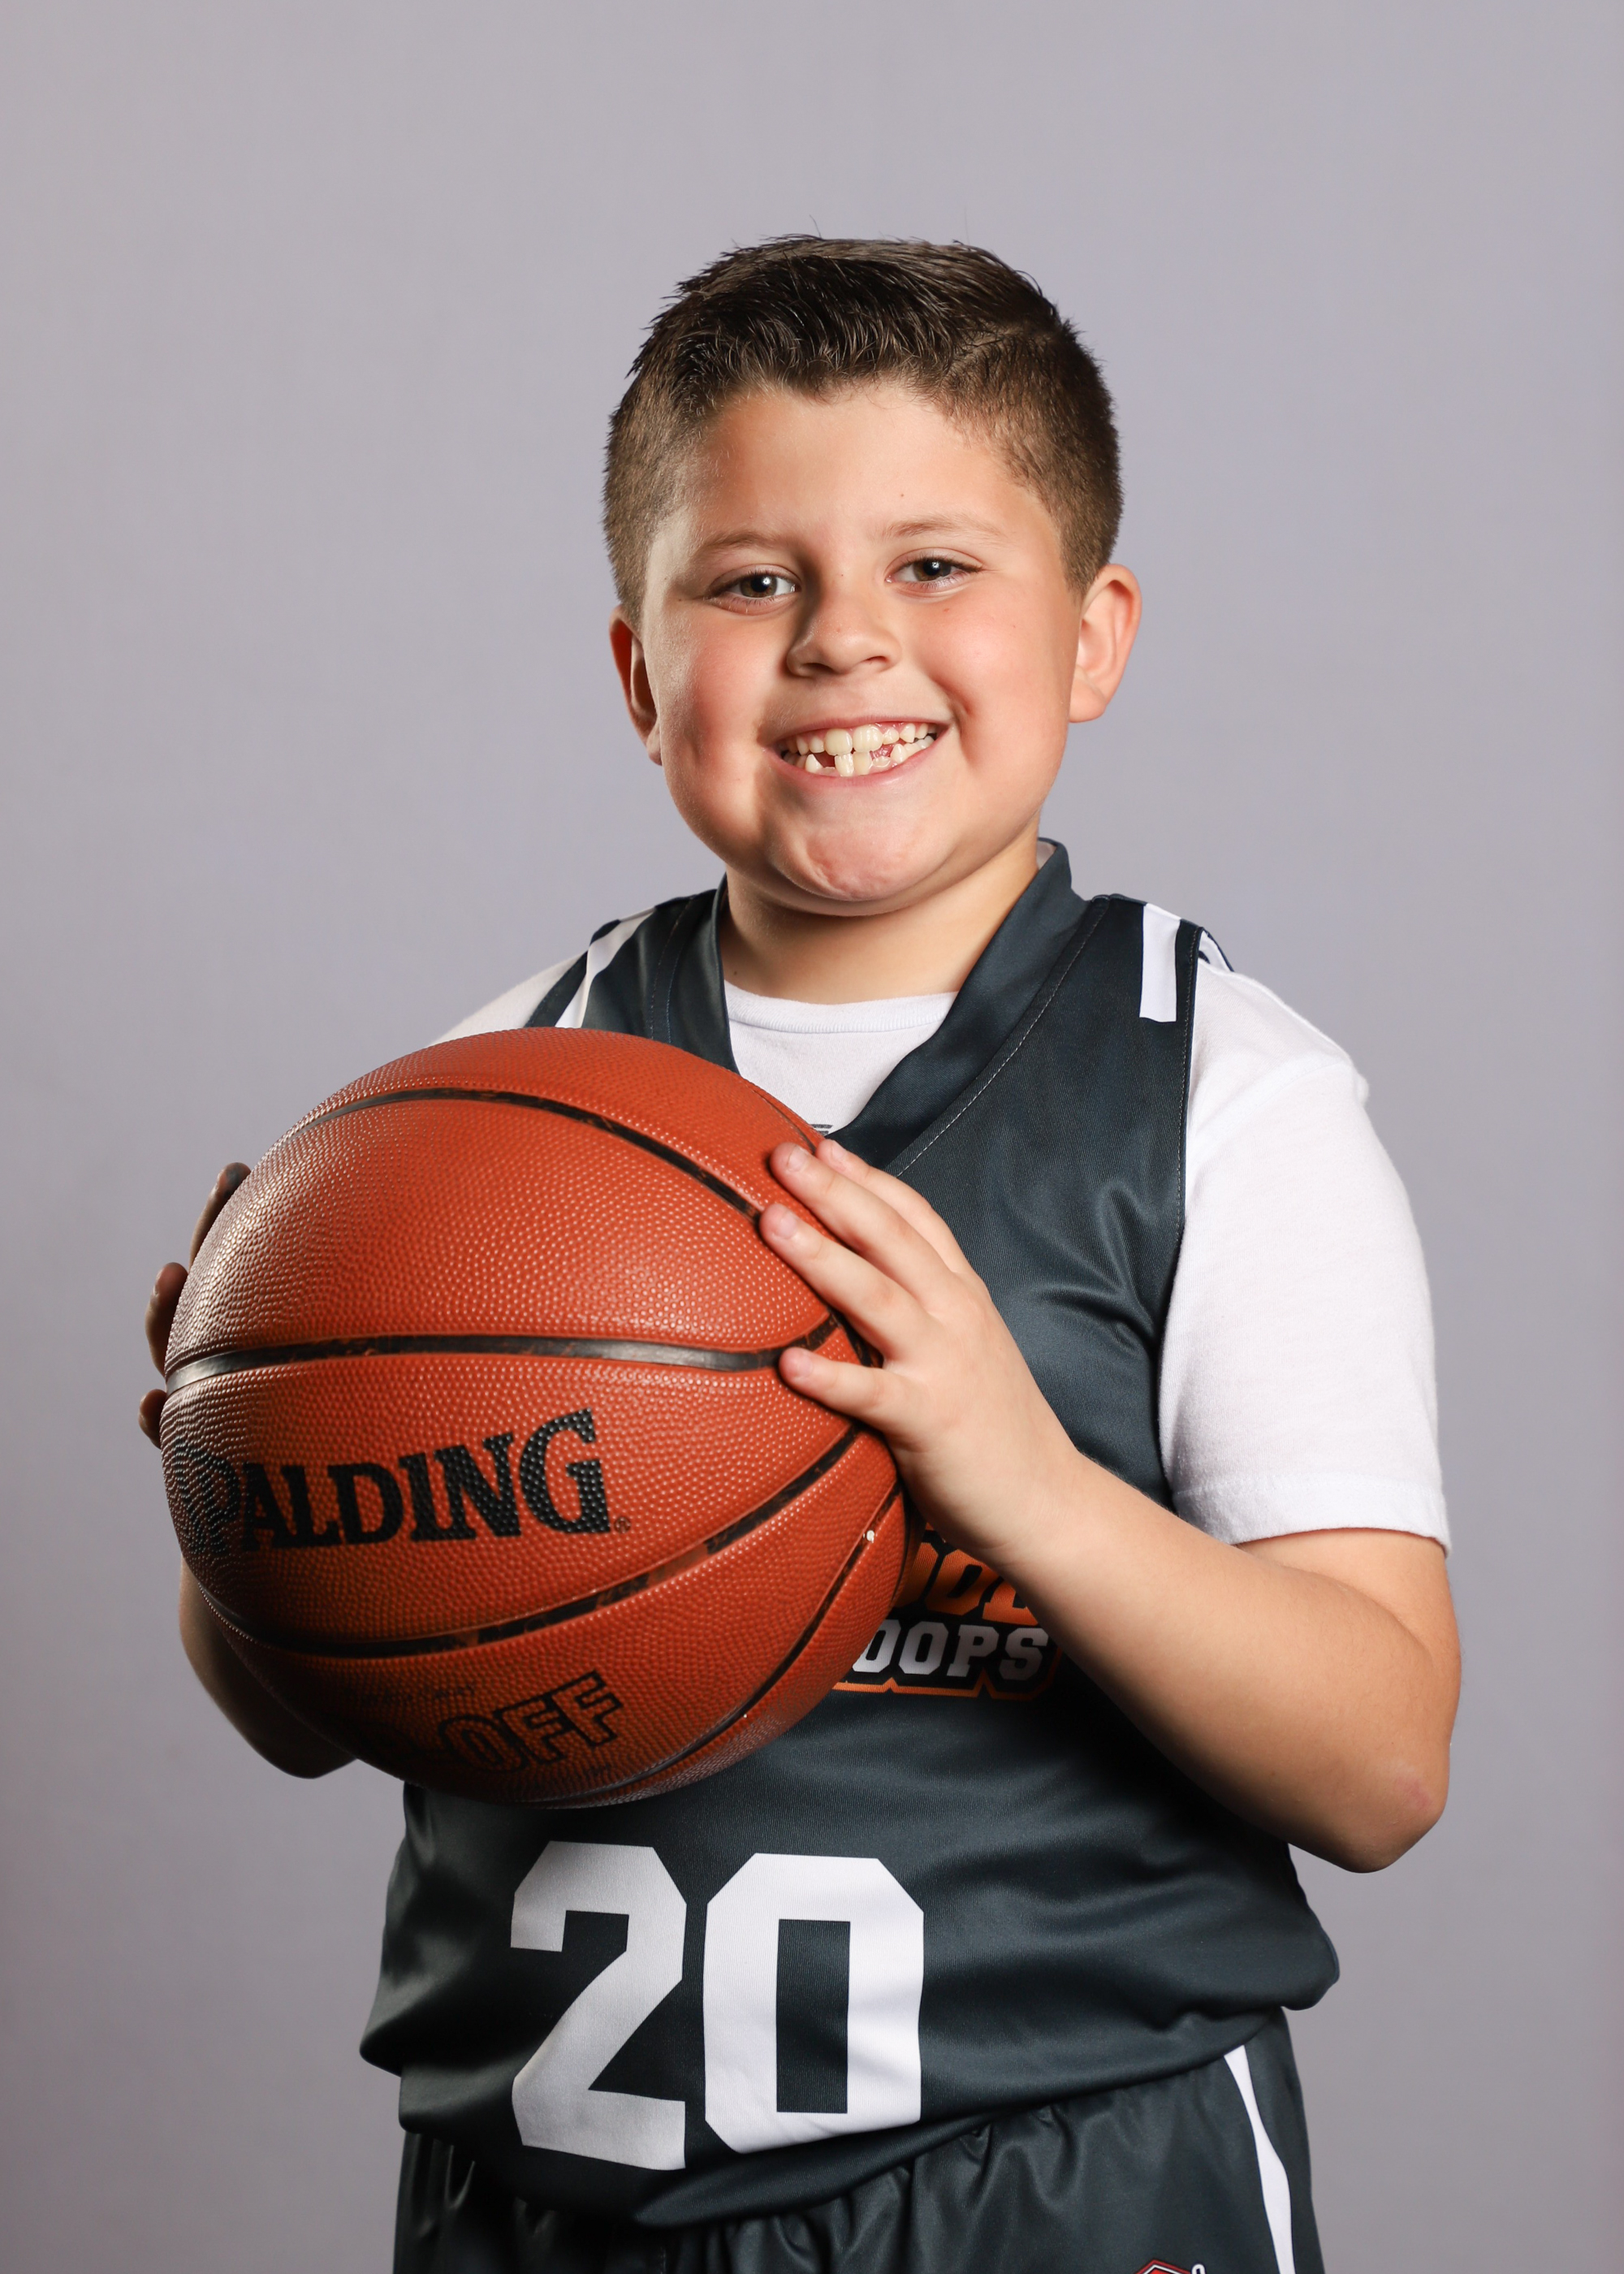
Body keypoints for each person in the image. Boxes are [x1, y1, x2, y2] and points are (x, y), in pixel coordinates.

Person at [140, 239, 1459, 2274]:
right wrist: (258, 1482)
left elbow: (1376, 1763)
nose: (845, 638)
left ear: (1092, 634)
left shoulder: (1220, 1100)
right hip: (548, 2191)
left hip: (1057, 2177)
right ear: (637, 670)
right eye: (753, 580)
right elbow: (299, 1708)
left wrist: (1021, 1481)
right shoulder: (488, 1094)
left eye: (934, 565)